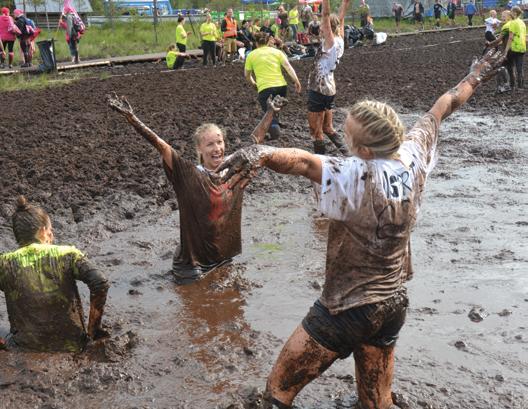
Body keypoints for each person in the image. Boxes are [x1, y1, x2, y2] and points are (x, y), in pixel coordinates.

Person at [218, 48, 506, 409]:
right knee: (376, 403)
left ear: (364, 150)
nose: (345, 140)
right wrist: (476, 74)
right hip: (393, 303)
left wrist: (261, 154)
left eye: (349, 136)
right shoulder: (413, 155)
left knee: (276, 393)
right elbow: (443, 105)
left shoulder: (356, 173)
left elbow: (304, 162)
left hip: (346, 309)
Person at [108, 93, 287, 283]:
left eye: (219, 142)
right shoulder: (190, 175)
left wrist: (270, 112)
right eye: (210, 144)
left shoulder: (235, 167)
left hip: (223, 258)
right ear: (199, 150)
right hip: (193, 266)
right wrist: (132, 118)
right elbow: (163, 148)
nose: (217, 148)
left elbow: (255, 141)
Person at [0, 196, 109, 352]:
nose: (52, 236)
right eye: (50, 231)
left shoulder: (5, 263)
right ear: (43, 231)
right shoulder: (68, 254)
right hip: (73, 345)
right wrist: (93, 331)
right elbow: (100, 282)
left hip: (24, 347)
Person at [306, 0, 349, 156]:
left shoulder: (330, 43)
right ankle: (349, 155)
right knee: (328, 128)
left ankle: (320, 166)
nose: (321, 29)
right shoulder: (340, 40)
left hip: (319, 88)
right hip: (329, 87)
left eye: (324, 27)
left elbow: (325, 15)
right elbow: (341, 19)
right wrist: (345, 3)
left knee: (316, 132)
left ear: (327, 27)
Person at [245, 31, 301, 140]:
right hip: (281, 86)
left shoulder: (251, 55)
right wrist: (296, 81)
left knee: (268, 112)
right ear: (267, 41)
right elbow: (288, 67)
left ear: (256, 43)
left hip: (265, 87)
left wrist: (253, 83)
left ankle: (275, 134)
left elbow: (247, 75)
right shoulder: (277, 52)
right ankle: (275, 124)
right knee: (276, 107)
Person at [503, 6, 526, 89]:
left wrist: (506, 50)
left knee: (510, 66)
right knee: (520, 68)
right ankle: (520, 86)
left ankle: (512, 85)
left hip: (514, 48)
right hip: (522, 48)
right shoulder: (522, 22)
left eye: (511, 12)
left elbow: (510, 37)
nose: (510, 13)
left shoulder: (513, 22)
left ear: (515, 13)